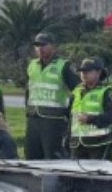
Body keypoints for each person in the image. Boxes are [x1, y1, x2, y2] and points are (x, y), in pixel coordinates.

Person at [24, 32, 79, 160]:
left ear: (53, 46)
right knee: (31, 157)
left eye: (43, 45)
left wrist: (69, 113)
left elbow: (78, 92)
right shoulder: (32, 65)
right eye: (37, 45)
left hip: (54, 121)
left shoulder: (64, 66)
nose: (40, 48)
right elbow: (29, 90)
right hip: (34, 119)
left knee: (53, 157)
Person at [68, 57, 112, 161]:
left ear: (98, 73)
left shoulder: (107, 92)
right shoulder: (76, 91)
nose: (84, 74)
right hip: (77, 144)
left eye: (88, 71)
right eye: (82, 71)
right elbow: (69, 115)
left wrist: (90, 119)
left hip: (100, 144)